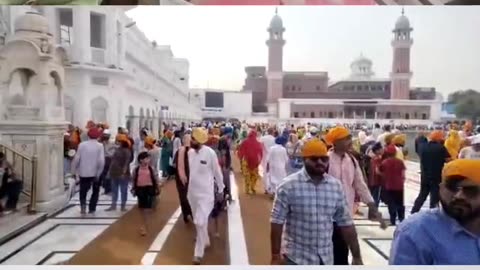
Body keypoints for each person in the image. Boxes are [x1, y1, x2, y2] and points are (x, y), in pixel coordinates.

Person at [270, 139, 363, 265]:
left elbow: (346, 223)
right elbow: (277, 222)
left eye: (323, 159)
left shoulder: (335, 186)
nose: (320, 162)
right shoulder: (288, 186)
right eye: (314, 159)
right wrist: (275, 255)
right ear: (304, 160)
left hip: (326, 259)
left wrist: (356, 256)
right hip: (296, 258)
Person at [390, 159, 480, 265]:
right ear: (440, 188)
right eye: (452, 188)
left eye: (470, 190)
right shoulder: (416, 231)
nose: (459, 196)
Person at [324, 126, 385, 265]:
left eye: (350, 138)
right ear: (336, 141)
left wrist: (371, 204)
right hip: (326, 216)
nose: (350, 141)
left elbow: (360, 184)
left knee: (342, 253)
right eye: (346, 139)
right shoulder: (325, 160)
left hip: (345, 215)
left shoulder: (351, 160)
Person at [187, 128, 225, 265]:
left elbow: (217, 172)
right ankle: (206, 240)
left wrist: (221, 189)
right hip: (192, 193)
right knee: (199, 222)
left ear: (200, 141)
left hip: (206, 194)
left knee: (199, 221)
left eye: (193, 139)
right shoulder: (190, 153)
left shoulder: (210, 154)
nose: (191, 141)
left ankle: (198, 253)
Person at [411, 130, 451, 213]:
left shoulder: (422, 147)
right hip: (436, 176)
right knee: (434, 197)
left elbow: (418, 144)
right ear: (439, 138)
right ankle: (433, 215)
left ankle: (413, 212)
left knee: (422, 195)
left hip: (424, 175)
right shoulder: (441, 148)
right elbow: (449, 160)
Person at [71, 128, 105, 214]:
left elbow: (77, 158)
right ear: (98, 136)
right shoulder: (99, 146)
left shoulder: (82, 145)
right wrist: (99, 173)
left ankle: (83, 205)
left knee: (83, 190)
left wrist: (73, 171)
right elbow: (101, 161)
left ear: (88, 135)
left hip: (84, 172)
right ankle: (92, 207)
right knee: (95, 190)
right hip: (95, 173)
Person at [131, 152, 162, 236]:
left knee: (148, 209)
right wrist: (133, 189)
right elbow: (134, 179)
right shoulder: (136, 170)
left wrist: (158, 187)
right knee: (142, 208)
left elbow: (155, 178)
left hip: (149, 189)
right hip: (140, 189)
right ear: (141, 160)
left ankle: (145, 225)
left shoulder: (151, 169)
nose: (148, 160)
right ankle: (144, 224)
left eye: (148, 158)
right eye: (146, 158)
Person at [379, 144, 406, 226]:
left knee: (391, 203)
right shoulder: (400, 162)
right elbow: (403, 174)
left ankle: (392, 220)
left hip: (389, 185)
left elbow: (379, 171)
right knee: (400, 203)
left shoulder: (384, 162)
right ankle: (401, 219)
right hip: (399, 186)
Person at [106, 134, 132, 212]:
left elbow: (126, 163)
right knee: (114, 190)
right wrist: (109, 172)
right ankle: (113, 205)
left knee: (123, 190)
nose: (116, 142)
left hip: (122, 173)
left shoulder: (127, 151)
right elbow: (113, 161)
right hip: (114, 172)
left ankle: (123, 206)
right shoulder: (117, 150)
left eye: (118, 141)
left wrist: (123, 172)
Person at [237, 130, 263, 195]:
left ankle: (247, 189)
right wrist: (260, 161)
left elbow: (240, 150)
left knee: (247, 176)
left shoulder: (244, 142)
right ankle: (252, 187)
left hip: (246, 161)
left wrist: (240, 157)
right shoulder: (258, 143)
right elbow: (260, 153)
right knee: (254, 175)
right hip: (255, 161)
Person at [175, 134, 193, 223]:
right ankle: (191, 213)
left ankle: (186, 214)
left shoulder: (179, 151)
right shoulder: (194, 150)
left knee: (183, 197)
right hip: (192, 178)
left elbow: (175, 164)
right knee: (191, 196)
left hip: (180, 179)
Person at [260, 128, 276, 194]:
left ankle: (266, 188)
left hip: (264, 156)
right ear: (272, 132)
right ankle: (271, 188)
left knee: (265, 173)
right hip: (272, 157)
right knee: (271, 173)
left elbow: (260, 147)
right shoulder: (274, 139)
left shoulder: (263, 138)